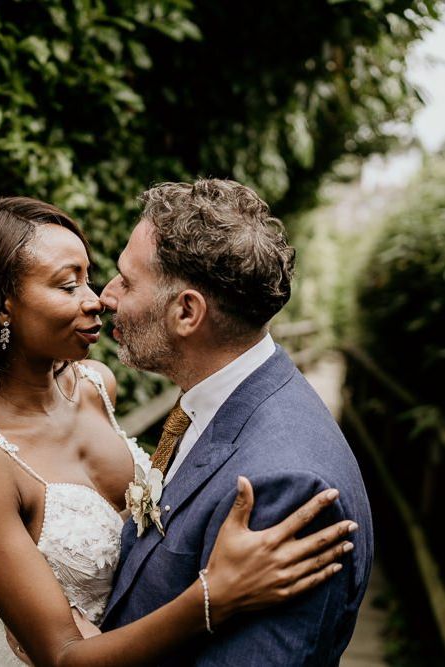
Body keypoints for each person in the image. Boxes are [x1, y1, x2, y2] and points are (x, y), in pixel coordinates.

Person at [0, 196, 357, 667]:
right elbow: (62, 655)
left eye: (88, 277)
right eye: (67, 285)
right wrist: (211, 598)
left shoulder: (98, 385)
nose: (97, 298)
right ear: (2, 306)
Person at [98, 179, 374, 665]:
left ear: (186, 311)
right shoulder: (207, 405)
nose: (106, 295)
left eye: (127, 280)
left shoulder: (287, 487)